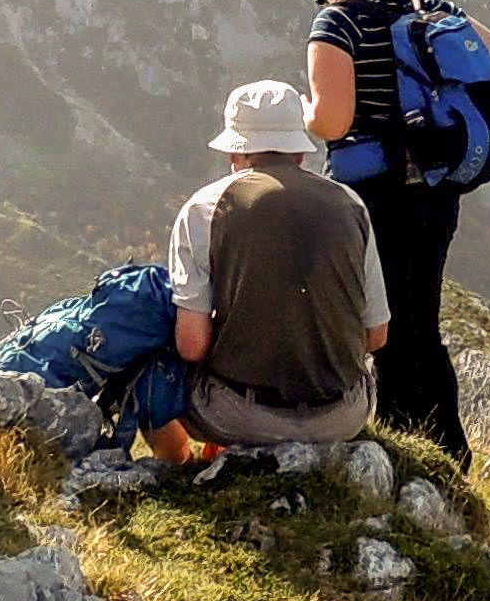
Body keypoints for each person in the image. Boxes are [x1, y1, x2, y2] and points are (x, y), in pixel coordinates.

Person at [304, 0, 490, 463]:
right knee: (421, 317)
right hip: (436, 183)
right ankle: (449, 450)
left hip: (373, 191)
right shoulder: (423, 3)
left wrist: (306, 111)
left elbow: (332, 121)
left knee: (379, 320)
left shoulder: (335, 21)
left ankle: (400, 449)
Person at [155, 78, 391, 463]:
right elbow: (376, 335)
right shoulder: (351, 205)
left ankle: (180, 464)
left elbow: (192, 346)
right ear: (299, 151)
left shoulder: (202, 209)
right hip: (341, 416)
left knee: (145, 354)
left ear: (239, 153)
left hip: (239, 417)